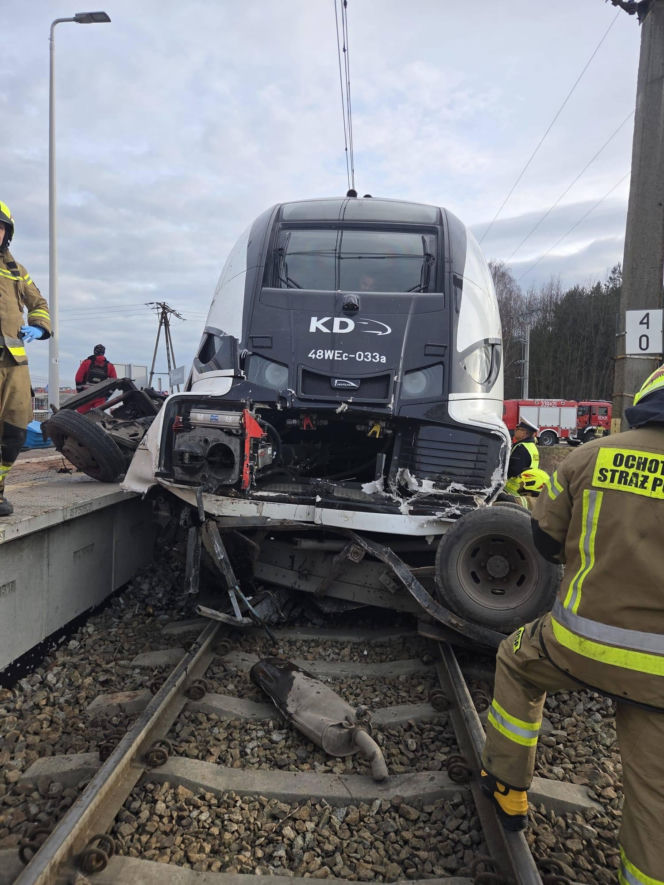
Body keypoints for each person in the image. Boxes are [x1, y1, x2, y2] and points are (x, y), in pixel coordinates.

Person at [480, 365, 664, 883]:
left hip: (581, 643)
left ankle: (509, 788)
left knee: (516, 660)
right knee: (655, 794)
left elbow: (543, 542)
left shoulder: (590, 456)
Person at [0, 201, 51, 517]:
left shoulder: (16, 270)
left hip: (14, 364)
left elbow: (39, 303)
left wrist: (38, 327)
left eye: (0, 226)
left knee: (15, 430)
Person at [74, 344, 117, 414]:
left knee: (81, 418)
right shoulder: (110, 366)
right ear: (104, 353)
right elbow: (115, 382)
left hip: (86, 396)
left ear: (94, 352)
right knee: (98, 418)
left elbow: (78, 378)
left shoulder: (86, 362)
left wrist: (80, 392)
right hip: (100, 397)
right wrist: (107, 396)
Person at [504, 416, 539, 497]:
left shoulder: (521, 448)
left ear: (524, 433)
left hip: (514, 491)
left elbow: (514, 470)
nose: (515, 431)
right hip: (527, 488)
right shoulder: (532, 446)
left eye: (518, 429)